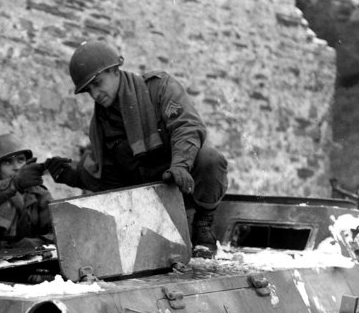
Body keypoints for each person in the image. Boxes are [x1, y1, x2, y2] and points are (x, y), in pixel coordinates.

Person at [45, 40, 229, 257]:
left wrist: (180, 165)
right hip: (144, 194)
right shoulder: (101, 123)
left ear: (115, 70)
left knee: (210, 158)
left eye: (98, 83)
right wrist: (73, 174)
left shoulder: (159, 88)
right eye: (88, 90)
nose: (95, 94)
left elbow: (186, 126)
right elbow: (106, 174)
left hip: (181, 182)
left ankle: (203, 227)